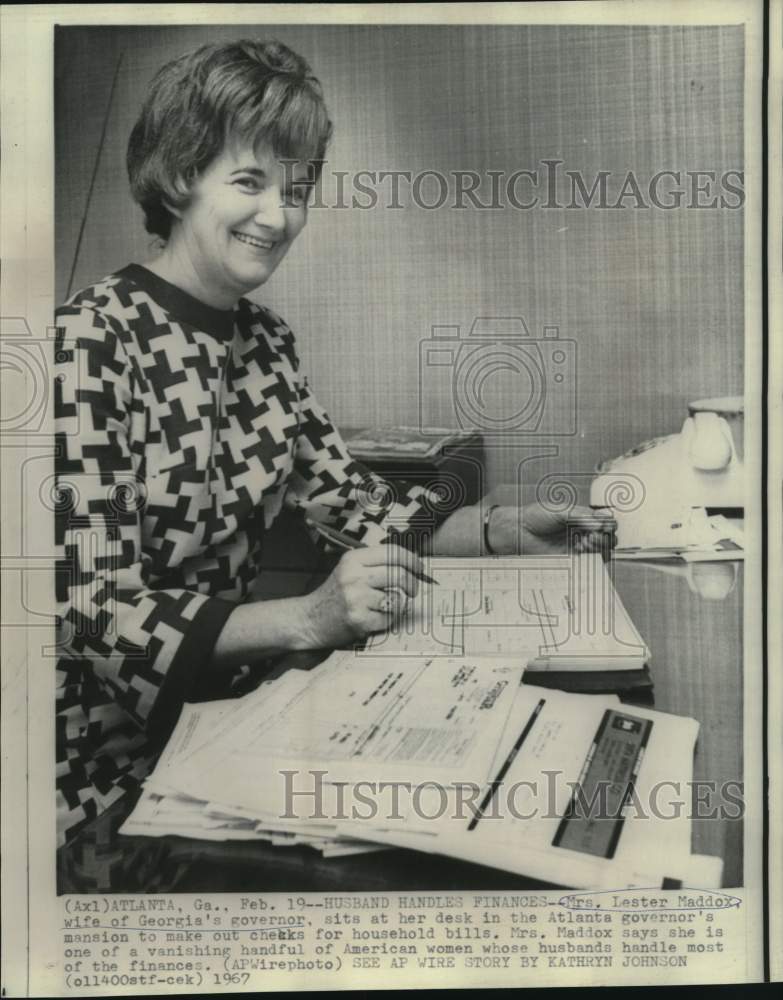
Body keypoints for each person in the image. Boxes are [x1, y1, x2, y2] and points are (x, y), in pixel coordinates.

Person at [54, 39, 615, 848]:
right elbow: (93, 613)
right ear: (179, 178)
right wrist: (308, 619)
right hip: (91, 773)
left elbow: (361, 513)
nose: (279, 216)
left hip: (223, 727)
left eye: (298, 189)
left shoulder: (267, 342)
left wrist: (497, 529)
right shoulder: (85, 341)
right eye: (248, 181)